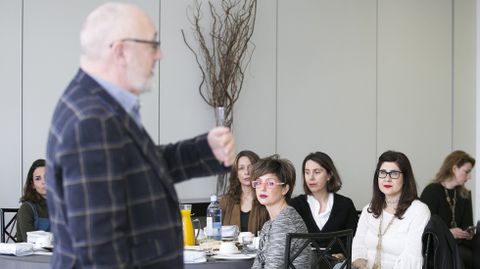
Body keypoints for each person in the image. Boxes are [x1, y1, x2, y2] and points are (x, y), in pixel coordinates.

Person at [45, 3, 235, 268]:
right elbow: (99, 254)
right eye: (152, 44)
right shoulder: (91, 121)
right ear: (121, 51)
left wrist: (204, 151)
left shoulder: (100, 105)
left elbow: (138, 168)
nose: (160, 55)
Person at [352, 151, 430, 269]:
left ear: (405, 178)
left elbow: (411, 260)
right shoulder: (369, 209)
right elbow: (357, 248)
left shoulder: (418, 211)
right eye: (382, 173)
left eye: (394, 173)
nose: (387, 179)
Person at [251, 155, 311, 269]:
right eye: (258, 182)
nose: (262, 188)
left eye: (270, 183)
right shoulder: (268, 224)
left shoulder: (285, 221)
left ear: (285, 189)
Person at [420, 150, 475, 269]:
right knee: (467, 256)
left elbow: (468, 224)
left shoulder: (464, 194)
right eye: (466, 172)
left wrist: (468, 233)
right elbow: (424, 227)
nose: (469, 177)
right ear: (454, 168)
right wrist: (448, 233)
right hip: (439, 245)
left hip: (461, 245)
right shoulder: (432, 191)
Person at [220, 150, 268, 235]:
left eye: (250, 167)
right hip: (230, 248)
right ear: (236, 174)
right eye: (241, 168)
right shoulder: (225, 201)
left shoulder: (266, 198)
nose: (246, 172)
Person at [16, 159, 49, 242]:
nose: (43, 182)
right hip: (32, 254)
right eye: (38, 179)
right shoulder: (26, 208)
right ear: (32, 185)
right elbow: (31, 242)